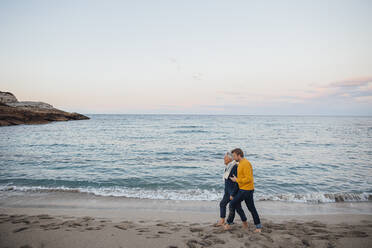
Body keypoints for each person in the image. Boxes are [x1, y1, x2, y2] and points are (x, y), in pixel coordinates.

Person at [224, 148, 262, 233]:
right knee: (251, 208)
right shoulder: (240, 164)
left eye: (234, 156)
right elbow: (241, 179)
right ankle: (258, 226)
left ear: (239, 155)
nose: (233, 158)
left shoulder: (246, 164)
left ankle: (228, 223)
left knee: (232, 204)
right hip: (243, 189)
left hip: (246, 190)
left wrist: (237, 180)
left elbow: (249, 179)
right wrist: (236, 183)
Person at [215, 152, 248, 228]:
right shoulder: (228, 166)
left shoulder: (235, 167)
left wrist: (233, 194)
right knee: (222, 204)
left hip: (233, 191)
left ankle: (244, 223)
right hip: (227, 191)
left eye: (225, 158)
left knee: (238, 208)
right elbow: (227, 180)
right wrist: (226, 191)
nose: (224, 159)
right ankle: (222, 220)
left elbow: (237, 182)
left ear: (230, 159)